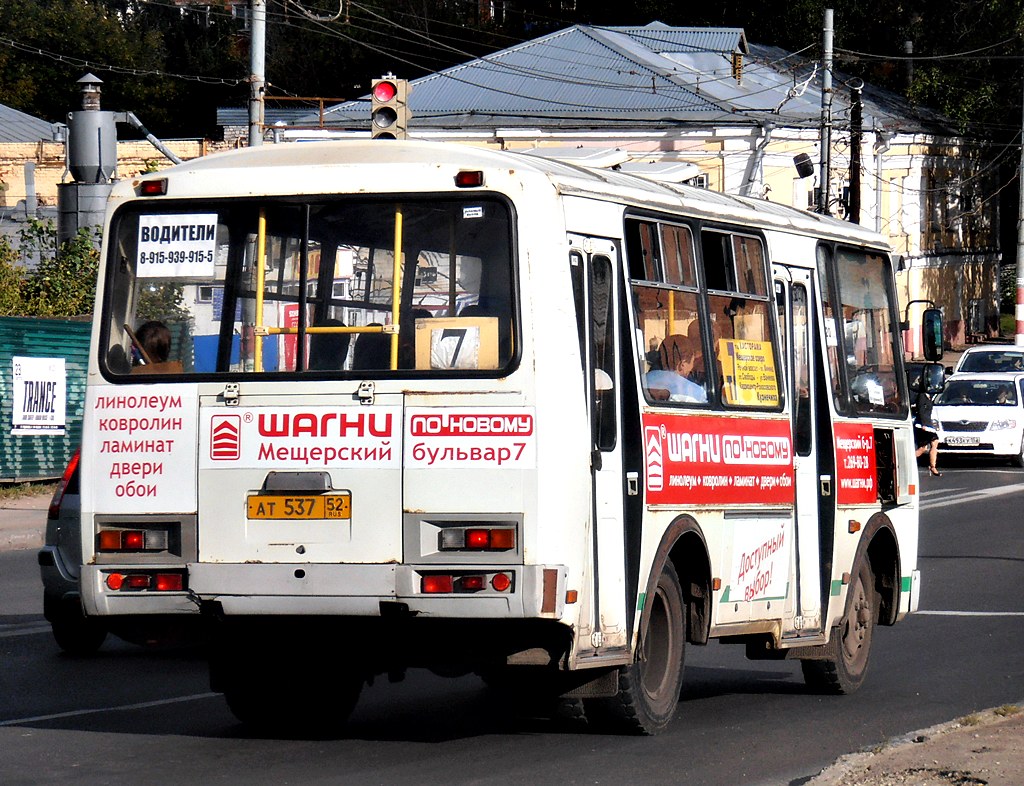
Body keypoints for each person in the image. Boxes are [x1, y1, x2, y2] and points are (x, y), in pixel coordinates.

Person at [645, 334, 707, 403]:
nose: (691, 368)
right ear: (682, 364)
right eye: (692, 362)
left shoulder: (642, 380)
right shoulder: (695, 393)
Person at [913, 381, 941, 477]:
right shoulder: (921, 396)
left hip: (928, 425)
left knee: (933, 443)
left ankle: (933, 466)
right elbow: (920, 410)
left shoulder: (928, 396)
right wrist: (924, 424)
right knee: (922, 448)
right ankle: (909, 460)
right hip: (922, 425)